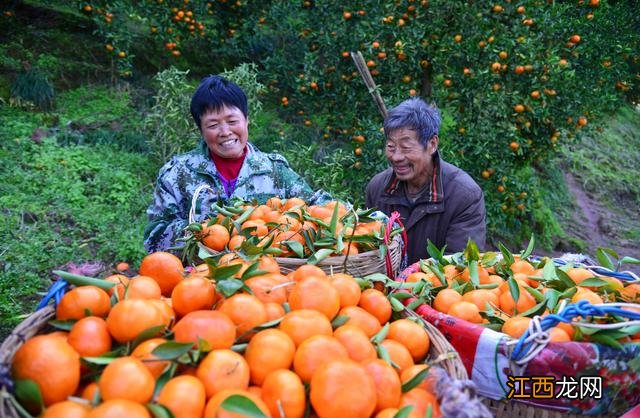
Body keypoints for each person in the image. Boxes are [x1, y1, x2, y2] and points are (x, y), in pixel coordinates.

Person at [144, 75, 331, 253]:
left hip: (266, 277)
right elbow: (154, 237)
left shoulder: (274, 171)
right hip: (198, 280)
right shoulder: (177, 174)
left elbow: (316, 206)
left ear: (247, 120)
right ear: (201, 130)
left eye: (232, 121)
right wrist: (206, 232)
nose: (225, 132)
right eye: (213, 125)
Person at [366, 97, 486, 264]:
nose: (396, 157)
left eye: (406, 148)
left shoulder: (464, 195)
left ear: (432, 144)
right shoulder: (378, 188)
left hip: (438, 288)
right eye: (391, 147)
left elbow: (462, 264)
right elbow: (368, 248)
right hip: (380, 289)